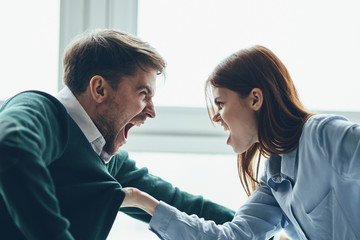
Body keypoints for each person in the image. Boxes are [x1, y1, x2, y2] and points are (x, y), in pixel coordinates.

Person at [0, 29, 235, 240]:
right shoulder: (45, 111)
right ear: (99, 89)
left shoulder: (105, 159)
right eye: (144, 94)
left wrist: (259, 227)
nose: (151, 112)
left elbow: (176, 203)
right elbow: (10, 145)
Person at [121, 45, 360, 240]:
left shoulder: (322, 135)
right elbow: (232, 237)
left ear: (255, 99)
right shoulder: (274, 178)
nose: (216, 116)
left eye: (221, 103)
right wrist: (142, 201)